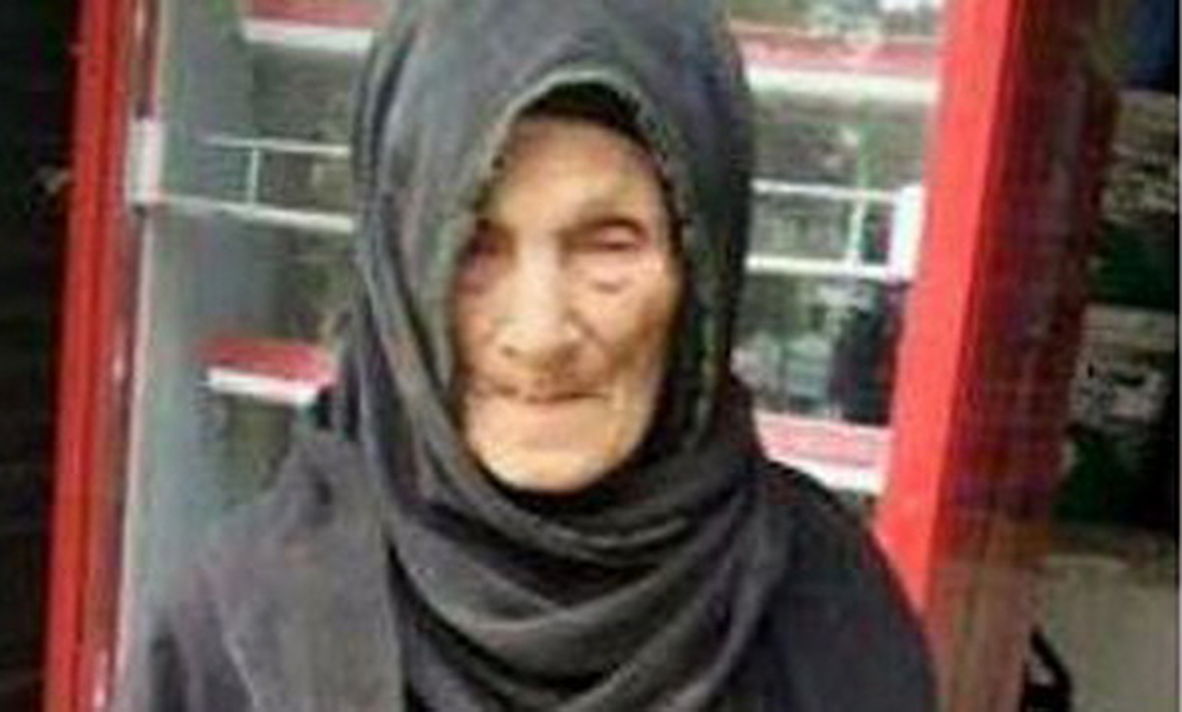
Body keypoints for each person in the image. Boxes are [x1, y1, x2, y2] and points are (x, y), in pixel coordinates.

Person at [123, 1, 935, 710]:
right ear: (399, 270)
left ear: (701, 271)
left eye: (608, 244)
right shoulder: (234, 639)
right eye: (473, 248)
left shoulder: (823, 610)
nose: (540, 335)